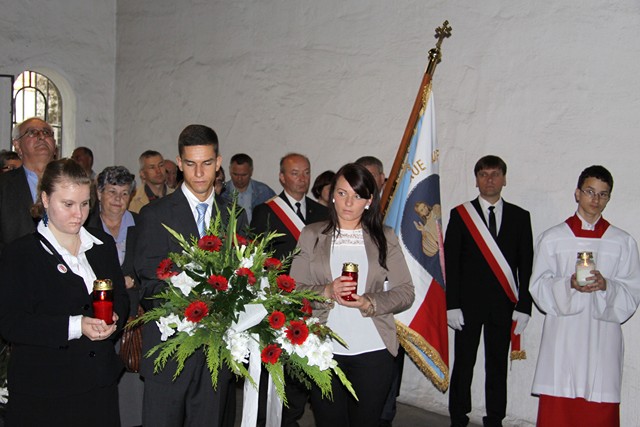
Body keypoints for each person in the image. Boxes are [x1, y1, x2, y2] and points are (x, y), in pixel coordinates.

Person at [0, 158, 129, 426]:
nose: (78, 214)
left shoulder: (102, 244)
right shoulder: (21, 253)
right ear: (45, 199)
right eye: (68, 204)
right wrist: (77, 325)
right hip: (46, 391)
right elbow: (12, 324)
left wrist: (114, 318)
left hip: (99, 385)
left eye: (84, 204)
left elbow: (121, 298)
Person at [134, 124, 243, 427]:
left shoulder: (233, 215)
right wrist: (191, 306)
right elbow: (148, 285)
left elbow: (244, 276)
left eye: (206, 163)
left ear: (218, 162)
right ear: (180, 163)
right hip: (169, 351)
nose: (199, 173)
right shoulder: (155, 215)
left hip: (215, 356)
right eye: (191, 164)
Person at [289, 163, 414, 426]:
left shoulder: (384, 237)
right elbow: (293, 291)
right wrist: (326, 291)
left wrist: (370, 301)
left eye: (357, 196)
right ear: (332, 195)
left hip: (373, 350)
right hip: (323, 350)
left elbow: (405, 292)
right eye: (342, 193)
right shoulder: (311, 235)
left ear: (369, 201)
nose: (348, 202)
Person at [529, 165, 640, 426]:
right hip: (563, 339)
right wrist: (568, 285)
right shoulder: (553, 238)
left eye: (603, 194)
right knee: (559, 412)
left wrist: (606, 286)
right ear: (577, 193)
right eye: (590, 191)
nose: (595, 199)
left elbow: (632, 292)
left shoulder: (622, 242)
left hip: (602, 341)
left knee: (598, 412)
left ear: (609, 198)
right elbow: (538, 287)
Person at [445, 155, 533, 427]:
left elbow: (526, 265)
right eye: (483, 174)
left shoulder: (520, 217)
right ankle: (458, 416)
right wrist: (451, 304)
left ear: (504, 179)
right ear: (476, 180)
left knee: (497, 365)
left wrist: (524, 305)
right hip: (467, 306)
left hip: (503, 304)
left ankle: (495, 418)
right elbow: (451, 263)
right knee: (464, 363)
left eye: (495, 174)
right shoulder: (461, 215)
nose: (489, 180)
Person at [250, 153, 328, 427]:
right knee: (277, 362)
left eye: (306, 172)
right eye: (295, 173)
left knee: (302, 363)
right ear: (282, 177)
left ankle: (291, 416)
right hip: (280, 300)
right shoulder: (266, 211)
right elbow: (258, 258)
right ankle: (270, 418)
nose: (302, 178)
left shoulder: (321, 212)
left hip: (312, 300)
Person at [87, 166, 143, 427]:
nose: (118, 199)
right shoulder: (85, 226)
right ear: (99, 193)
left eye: (124, 193)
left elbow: (156, 267)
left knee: (131, 386)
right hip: (94, 317)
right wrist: (121, 281)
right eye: (112, 192)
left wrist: (136, 280)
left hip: (134, 316)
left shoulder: (142, 225)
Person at [0, 117, 57, 253]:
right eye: (32, 132)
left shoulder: (72, 182)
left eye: (46, 132)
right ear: (17, 145)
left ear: (54, 145)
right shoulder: (3, 186)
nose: (41, 137)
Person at [223, 153, 275, 222]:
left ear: (251, 171)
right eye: (235, 174)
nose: (239, 179)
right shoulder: (221, 192)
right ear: (230, 170)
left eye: (244, 175)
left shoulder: (264, 192)